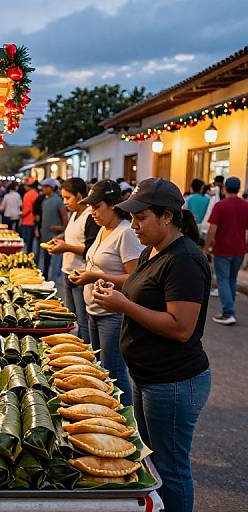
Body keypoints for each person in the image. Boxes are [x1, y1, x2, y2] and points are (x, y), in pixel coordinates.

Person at [92, 177, 211, 512]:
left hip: (173, 381)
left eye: (141, 218)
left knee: (171, 469)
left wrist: (123, 305)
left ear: (167, 217)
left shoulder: (184, 259)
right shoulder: (151, 250)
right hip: (148, 377)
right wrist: (113, 290)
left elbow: (181, 327)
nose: (134, 225)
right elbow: (140, 285)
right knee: (153, 461)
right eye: (132, 217)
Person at [69, 179, 142, 405]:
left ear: (112, 205)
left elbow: (135, 278)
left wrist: (94, 277)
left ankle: (126, 422)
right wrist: (86, 273)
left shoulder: (125, 233)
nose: (92, 212)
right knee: (100, 370)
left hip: (112, 315)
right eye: (90, 207)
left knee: (114, 372)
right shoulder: (103, 229)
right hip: (94, 311)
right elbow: (99, 265)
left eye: (97, 206)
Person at [48, 178, 99, 343]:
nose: (65, 202)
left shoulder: (90, 216)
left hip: (81, 274)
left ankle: (85, 354)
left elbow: (90, 249)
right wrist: (60, 239)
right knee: (71, 317)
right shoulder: (75, 214)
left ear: (79, 195)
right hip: (68, 271)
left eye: (68, 197)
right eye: (63, 197)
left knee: (82, 321)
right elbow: (74, 236)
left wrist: (66, 247)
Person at [204, 176, 248, 325]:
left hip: (222, 248)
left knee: (222, 280)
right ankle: (228, 310)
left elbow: (212, 229)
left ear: (224, 188)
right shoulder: (245, 206)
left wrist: (206, 248)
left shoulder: (220, 206)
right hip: (240, 249)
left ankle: (228, 313)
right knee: (232, 279)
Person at [39, 177, 68, 279]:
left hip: (55, 236)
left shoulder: (58, 201)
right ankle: (46, 277)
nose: (43, 189)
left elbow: (64, 216)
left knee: (55, 261)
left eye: (46, 187)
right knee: (46, 260)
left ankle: (54, 279)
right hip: (45, 235)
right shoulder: (45, 201)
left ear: (52, 188)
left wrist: (62, 228)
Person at [20, 176, 38, 253]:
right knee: (32, 242)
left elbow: (27, 209)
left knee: (27, 242)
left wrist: (21, 215)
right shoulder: (37, 194)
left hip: (27, 221)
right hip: (34, 221)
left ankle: (27, 257)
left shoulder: (27, 195)